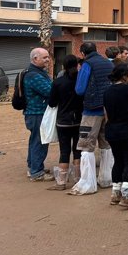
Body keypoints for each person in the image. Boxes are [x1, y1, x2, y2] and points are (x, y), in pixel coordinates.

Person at [70, 42, 114, 196]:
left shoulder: (87, 64)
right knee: (106, 144)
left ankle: (88, 183)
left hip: (91, 109)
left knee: (86, 145)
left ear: (83, 53)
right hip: (108, 108)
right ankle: (106, 178)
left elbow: (80, 89)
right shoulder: (107, 63)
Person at [103, 63, 128, 208]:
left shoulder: (107, 91)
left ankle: (115, 193)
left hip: (112, 130)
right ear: (124, 76)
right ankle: (127, 195)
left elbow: (106, 113)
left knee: (118, 160)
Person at [47, 55, 83, 190]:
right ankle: (78, 179)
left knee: (64, 150)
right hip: (79, 119)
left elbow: (52, 103)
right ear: (77, 65)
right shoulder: (81, 81)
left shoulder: (58, 82)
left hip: (63, 120)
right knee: (78, 149)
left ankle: (61, 182)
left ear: (63, 66)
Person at [23, 48, 54, 182]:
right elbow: (49, 91)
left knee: (35, 140)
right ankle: (37, 172)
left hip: (35, 113)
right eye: (44, 57)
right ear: (35, 59)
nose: (48, 60)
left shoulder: (37, 72)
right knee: (40, 141)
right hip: (37, 113)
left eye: (48, 57)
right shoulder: (34, 75)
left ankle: (33, 166)